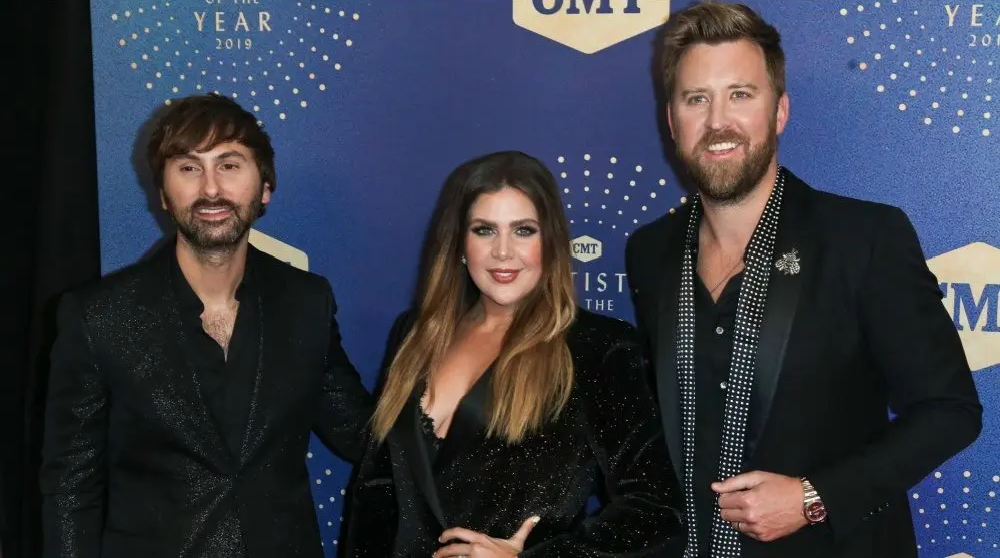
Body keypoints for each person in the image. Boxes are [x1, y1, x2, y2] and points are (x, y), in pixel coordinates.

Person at [625, 2, 983, 558]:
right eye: (697, 99)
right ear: (672, 121)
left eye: (740, 95)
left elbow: (950, 411)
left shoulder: (864, 240)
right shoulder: (650, 252)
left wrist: (815, 497)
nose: (718, 122)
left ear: (780, 111)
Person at [39, 93, 374, 558]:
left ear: (265, 187)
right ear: (163, 194)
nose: (211, 189)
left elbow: (362, 434)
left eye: (229, 165)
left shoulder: (307, 302)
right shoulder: (99, 316)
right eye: (189, 167)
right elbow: (70, 488)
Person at [341, 150, 686, 557]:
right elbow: (376, 489)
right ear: (460, 243)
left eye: (523, 230)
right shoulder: (417, 333)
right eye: (484, 230)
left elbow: (658, 511)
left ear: (551, 242)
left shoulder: (597, 348)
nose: (503, 252)